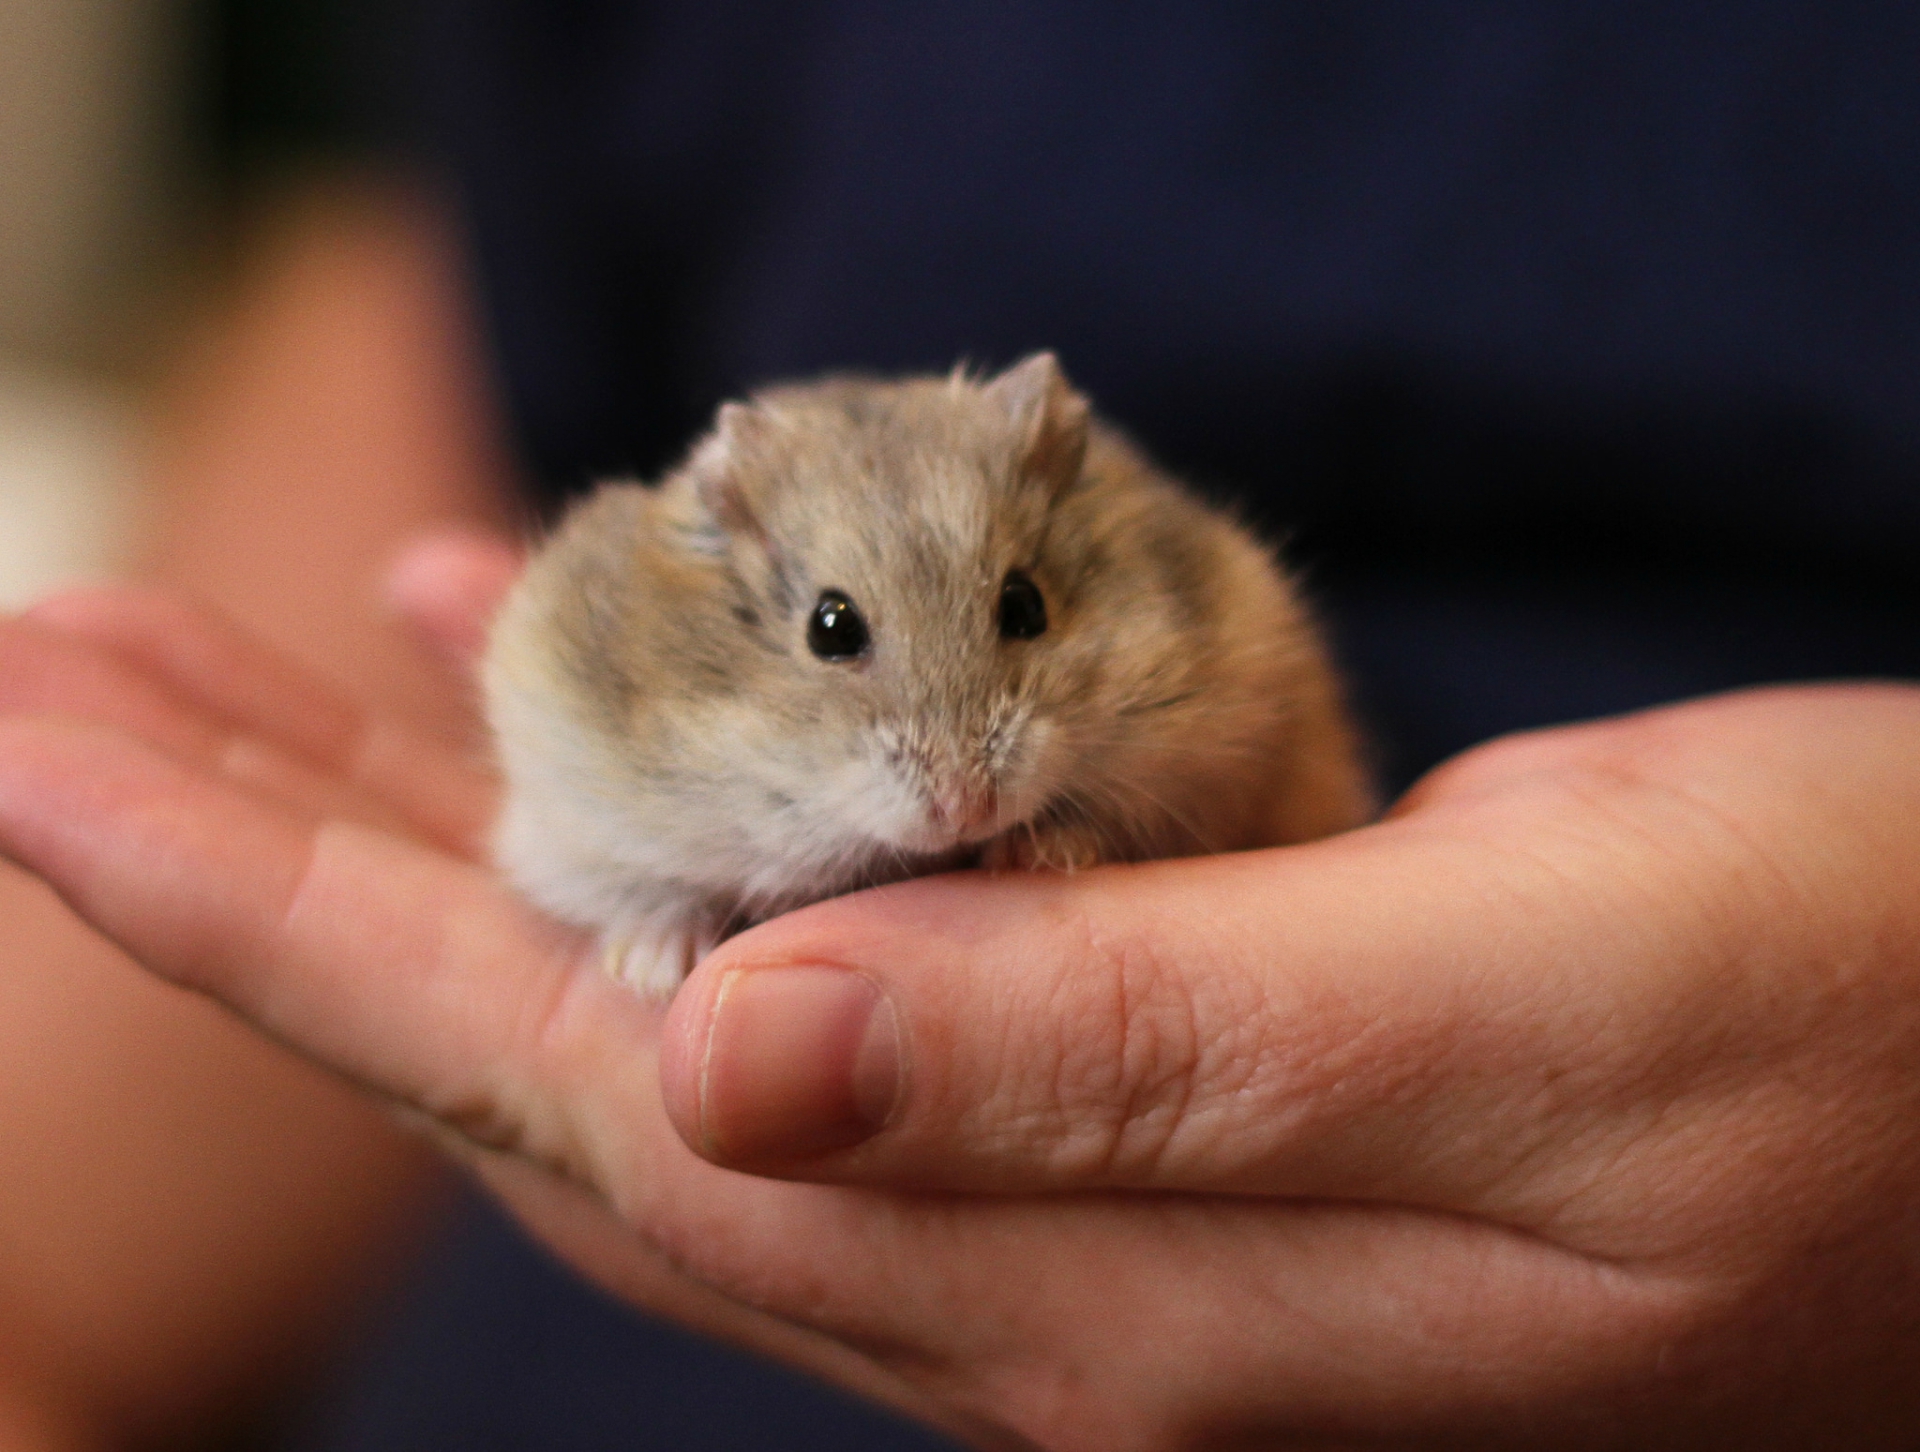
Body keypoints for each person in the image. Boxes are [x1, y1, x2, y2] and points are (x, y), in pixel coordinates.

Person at [3, 6, 1920, 1447]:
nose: (955, 767)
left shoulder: (1165, 580)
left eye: (1013, 626)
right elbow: (479, 269)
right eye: (844, 641)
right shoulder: (627, 597)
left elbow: (1242, 706)